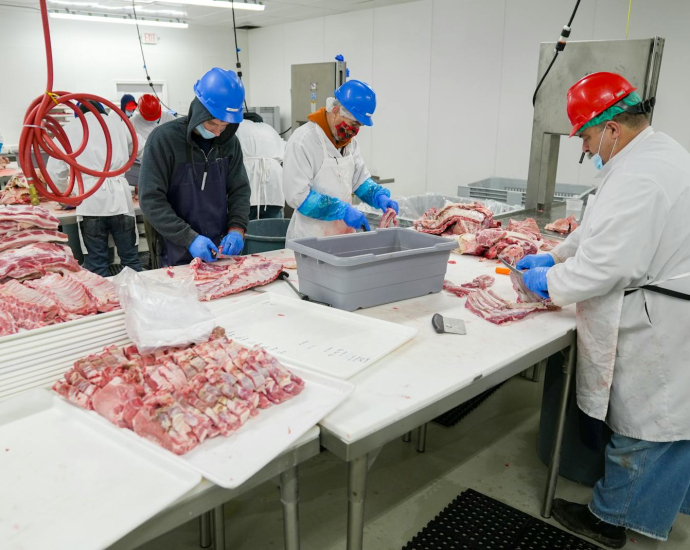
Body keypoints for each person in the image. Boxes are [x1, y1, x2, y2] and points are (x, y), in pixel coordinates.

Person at [518, 72, 690, 548]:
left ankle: (612, 520)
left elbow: (608, 264)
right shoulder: (653, 156)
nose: (588, 149)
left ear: (613, 127)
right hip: (665, 306)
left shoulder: (642, 175)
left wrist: (546, 282)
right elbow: (600, 229)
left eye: (588, 138)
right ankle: (659, 504)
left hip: (662, 318)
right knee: (667, 423)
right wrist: (555, 255)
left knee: (649, 423)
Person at [138, 68, 250, 266]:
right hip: (175, 250)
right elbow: (151, 200)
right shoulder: (163, 140)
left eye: (224, 126)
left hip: (220, 251)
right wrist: (188, 238)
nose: (217, 133)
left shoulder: (229, 144)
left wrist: (237, 228)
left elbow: (239, 191)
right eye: (212, 124)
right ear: (199, 111)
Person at [282, 80, 398, 239]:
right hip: (310, 240)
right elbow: (298, 196)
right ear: (336, 110)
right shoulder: (303, 141)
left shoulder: (350, 144)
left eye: (359, 127)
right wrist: (341, 211)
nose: (355, 132)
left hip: (344, 237)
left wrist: (378, 196)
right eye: (353, 123)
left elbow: (360, 181)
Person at [46, 100, 144, 276]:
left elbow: (55, 171)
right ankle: (139, 300)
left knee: (97, 263)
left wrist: (65, 195)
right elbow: (144, 149)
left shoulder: (69, 129)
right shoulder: (119, 125)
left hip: (90, 200)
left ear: (79, 113)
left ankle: (105, 301)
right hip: (120, 199)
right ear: (103, 110)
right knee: (130, 260)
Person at [236, 111, 285, 219]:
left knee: (246, 226)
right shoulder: (270, 129)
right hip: (274, 186)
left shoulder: (238, 127)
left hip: (249, 182)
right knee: (273, 228)